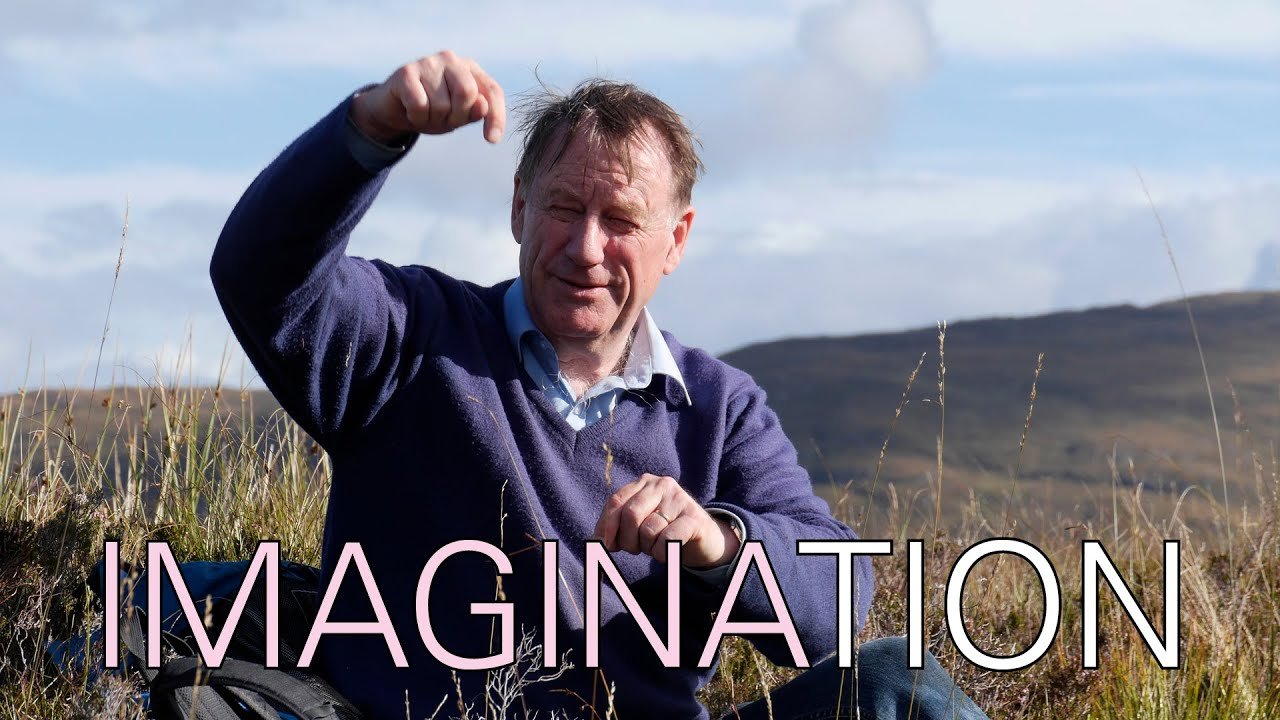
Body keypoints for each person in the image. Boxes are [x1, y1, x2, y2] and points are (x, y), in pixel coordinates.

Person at [211, 50, 987, 720]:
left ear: (675, 240)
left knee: (900, 685)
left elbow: (837, 600)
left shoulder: (717, 409)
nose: (587, 247)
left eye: (620, 218)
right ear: (519, 207)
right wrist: (369, 130)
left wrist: (719, 542)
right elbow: (259, 273)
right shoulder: (410, 336)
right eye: (563, 207)